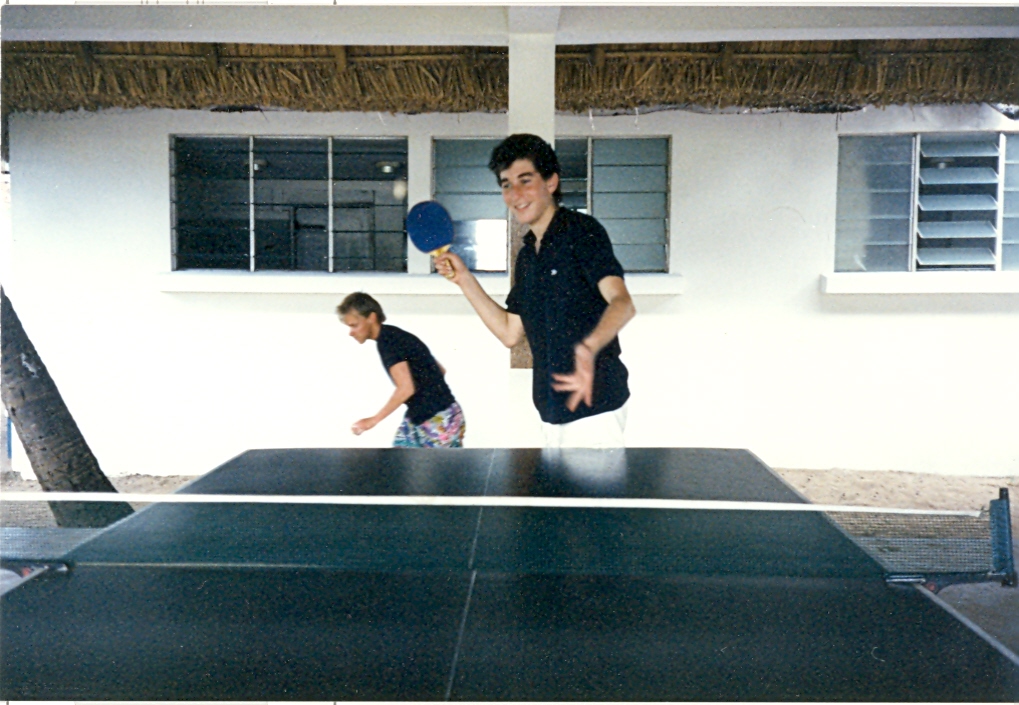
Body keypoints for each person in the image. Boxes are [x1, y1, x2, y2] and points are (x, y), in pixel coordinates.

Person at [434, 133, 635, 448]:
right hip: (550, 411)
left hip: (596, 410)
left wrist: (588, 348)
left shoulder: (582, 233)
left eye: (525, 180)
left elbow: (622, 303)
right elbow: (510, 333)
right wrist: (464, 280)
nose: (515, 194)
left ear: (551, 182)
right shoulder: (528, 256)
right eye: (505, 184)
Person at [337, 292, 465, 448]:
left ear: (371, 317)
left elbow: (406, 388)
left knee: (438, 470)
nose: (351, 332)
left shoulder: (389, 343)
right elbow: (439, 370)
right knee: (398, 463)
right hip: (419, 416)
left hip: (439, 417)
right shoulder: (394, 335)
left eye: (354, 325)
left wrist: (373, 420)